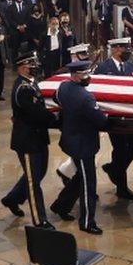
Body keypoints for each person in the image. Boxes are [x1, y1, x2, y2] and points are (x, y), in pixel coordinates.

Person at [50, 61, 112, 235]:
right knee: (88, 183)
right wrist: (108, 119)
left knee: (80, 177)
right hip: (83, 145)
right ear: (75, 75)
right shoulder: (86, 97)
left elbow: (56, 99)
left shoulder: (63, 87)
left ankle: (60, 205)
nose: (88, 78)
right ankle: (86, 222)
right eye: (85, 75)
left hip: (70, 140)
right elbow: (101, 121)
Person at [0, 49, 56, 229]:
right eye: (31, 64)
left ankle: (11, 199)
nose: (35, 66)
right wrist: (55, 119)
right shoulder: (23, 88)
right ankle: (40, 220)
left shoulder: (31, 83)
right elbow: (36, 114)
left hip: (38, 137)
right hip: (27, 140)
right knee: (34, 182)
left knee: (38, 173)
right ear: (22, 67)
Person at [94, 38, 133, 200]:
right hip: (113, 118)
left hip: (131, 116)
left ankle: (114, 169)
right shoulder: (102, 68)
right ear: (115, 49)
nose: (128, 51)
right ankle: (121, 187)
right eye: (124, 48)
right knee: (120, 149)